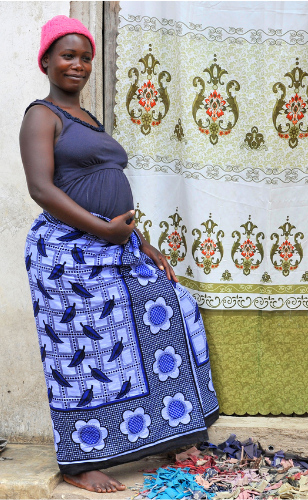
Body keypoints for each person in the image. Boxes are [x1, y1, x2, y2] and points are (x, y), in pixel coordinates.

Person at [19, 15, 219, 493]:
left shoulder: (88, 119)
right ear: (46, 61)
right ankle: (81, 463)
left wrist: (139, 241)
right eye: (68, 55)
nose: (79, 64)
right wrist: (101, 230)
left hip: (114, 243)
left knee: (171, 310)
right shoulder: (41, 115)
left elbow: (105, 187)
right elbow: (41, 188)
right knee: (82, 356)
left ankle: (174, 434)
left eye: (86, 57)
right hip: (67, 253)